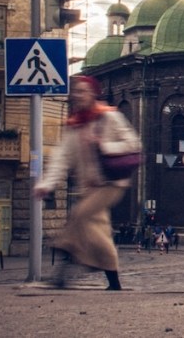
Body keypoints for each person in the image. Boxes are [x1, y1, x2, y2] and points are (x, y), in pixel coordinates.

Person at [32, 75, 141, 290]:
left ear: (93, 93)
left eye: (83, 91)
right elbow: (61, 158)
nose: (78, 95)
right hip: (89, 187)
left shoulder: (110, 117)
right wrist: (47, 183)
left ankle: (64, 263)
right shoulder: (74, 125)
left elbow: (134, 144)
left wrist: (105, 145)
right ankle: (114, 283)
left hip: (111, 183)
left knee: (79, 215)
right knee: (99, 232)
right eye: (76, 92)